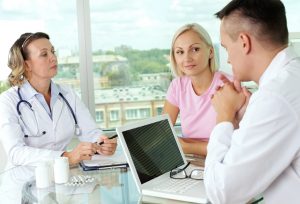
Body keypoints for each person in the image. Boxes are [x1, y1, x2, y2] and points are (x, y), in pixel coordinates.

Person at [204, 0, 300, 203]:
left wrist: (224, 116)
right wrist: (245, 119)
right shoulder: (290, 79)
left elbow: (222, 193)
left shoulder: (274, 98)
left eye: (227, 48)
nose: (228, 59)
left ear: (244, 42)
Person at [0, 32, 117, 169]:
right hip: (24, 181)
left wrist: (101, 143)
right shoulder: (8, 101)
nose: (53, 58)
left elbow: (90, 132)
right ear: (26, 65)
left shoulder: (67, 94)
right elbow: (16, 153)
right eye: (44, 54)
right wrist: (66, 157)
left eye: (53, 52)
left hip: (62, 176)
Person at [164, 23, 231, 156]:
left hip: (223, 162)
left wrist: (187, 146)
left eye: (195, 49)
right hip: (190, 163)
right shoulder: (177, 86)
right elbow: (161, 135)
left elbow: (232, 147)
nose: (187, 58)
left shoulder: (229, 85)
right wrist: (115, 143)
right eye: (180, 52)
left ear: (210, 52)